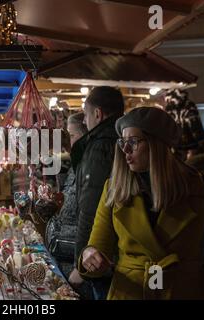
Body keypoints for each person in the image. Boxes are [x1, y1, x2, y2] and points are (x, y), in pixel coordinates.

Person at [79, 107, 204, 300]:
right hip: (129, 292)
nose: (125, 149)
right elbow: (97, 245)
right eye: (123, 142)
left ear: (158, 144)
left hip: (184, 291)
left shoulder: (202, 187)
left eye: (133, 142)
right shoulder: (114, 188)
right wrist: (90, 256)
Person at [69, 87, 124, 300]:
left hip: (101, 256)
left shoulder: (99, 147)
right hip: (122, 251)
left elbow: (91, 207)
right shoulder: (124, 140)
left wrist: (80, 262)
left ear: (98, 114)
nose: (85, 121)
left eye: (86, 115)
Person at [45, 112, 91, 297]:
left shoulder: (92, 167)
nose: (68, 142)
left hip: (79, 265)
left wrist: (81, 268)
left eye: (71, 136)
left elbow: (90, 219)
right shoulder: (76, 165)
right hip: (66, 259)